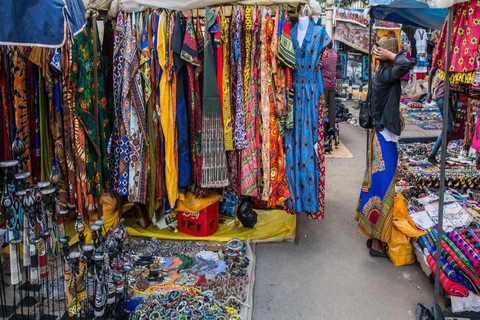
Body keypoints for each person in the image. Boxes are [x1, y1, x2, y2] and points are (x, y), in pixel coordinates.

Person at [355, 37, 411, 258]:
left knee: (377, 184)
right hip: (384, 140)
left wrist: (396, 114)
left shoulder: (381, 75)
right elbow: (406, 64)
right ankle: (377, 244)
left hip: (381, 135)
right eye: (392, 54)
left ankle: (372, 237)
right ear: (388, 56)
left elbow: (387, 101)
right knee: (383, 189)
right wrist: (389, 56)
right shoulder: (387, 74)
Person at [426, 66, 454, 165]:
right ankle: (432, 155)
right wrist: (429, 93)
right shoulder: (444, 60)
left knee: (448, 128)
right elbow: (431, 74)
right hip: (442, 97)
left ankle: (441, 156)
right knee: (448, 127)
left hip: (446, 97)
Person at [320, 41, 338, 132]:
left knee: (323, 107)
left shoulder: (324, 57)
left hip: (324, 84)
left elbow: (319, 67)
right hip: (332, 84)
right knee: (332, 107)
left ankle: (322, 127)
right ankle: (332, 126)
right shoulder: (335, 56)